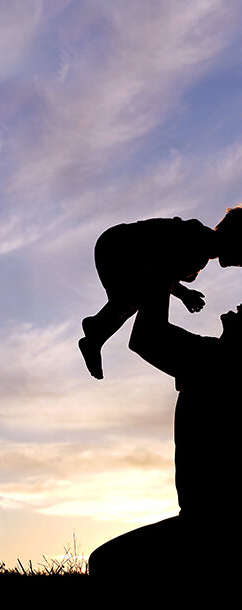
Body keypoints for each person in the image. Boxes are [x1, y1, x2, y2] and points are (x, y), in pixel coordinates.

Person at [88, 285, 242, 577]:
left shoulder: (217, 360)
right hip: (210, 524)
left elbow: (147, 337)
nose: (239, 307)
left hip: (212, 528)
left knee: (108, 564)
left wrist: (158, 269)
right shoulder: (215, 357)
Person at [79, 207, 242, 379]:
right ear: (235, 239)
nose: (239, 264)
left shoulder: (200, 251)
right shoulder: (197, 239)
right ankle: (96, 328)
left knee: (132, 299)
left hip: (122, 252)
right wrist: (184, 293)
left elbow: (163, 274)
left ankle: (95, 332)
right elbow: (160, 270)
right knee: (138, 296)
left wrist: (184, 293)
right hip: (118, 249)